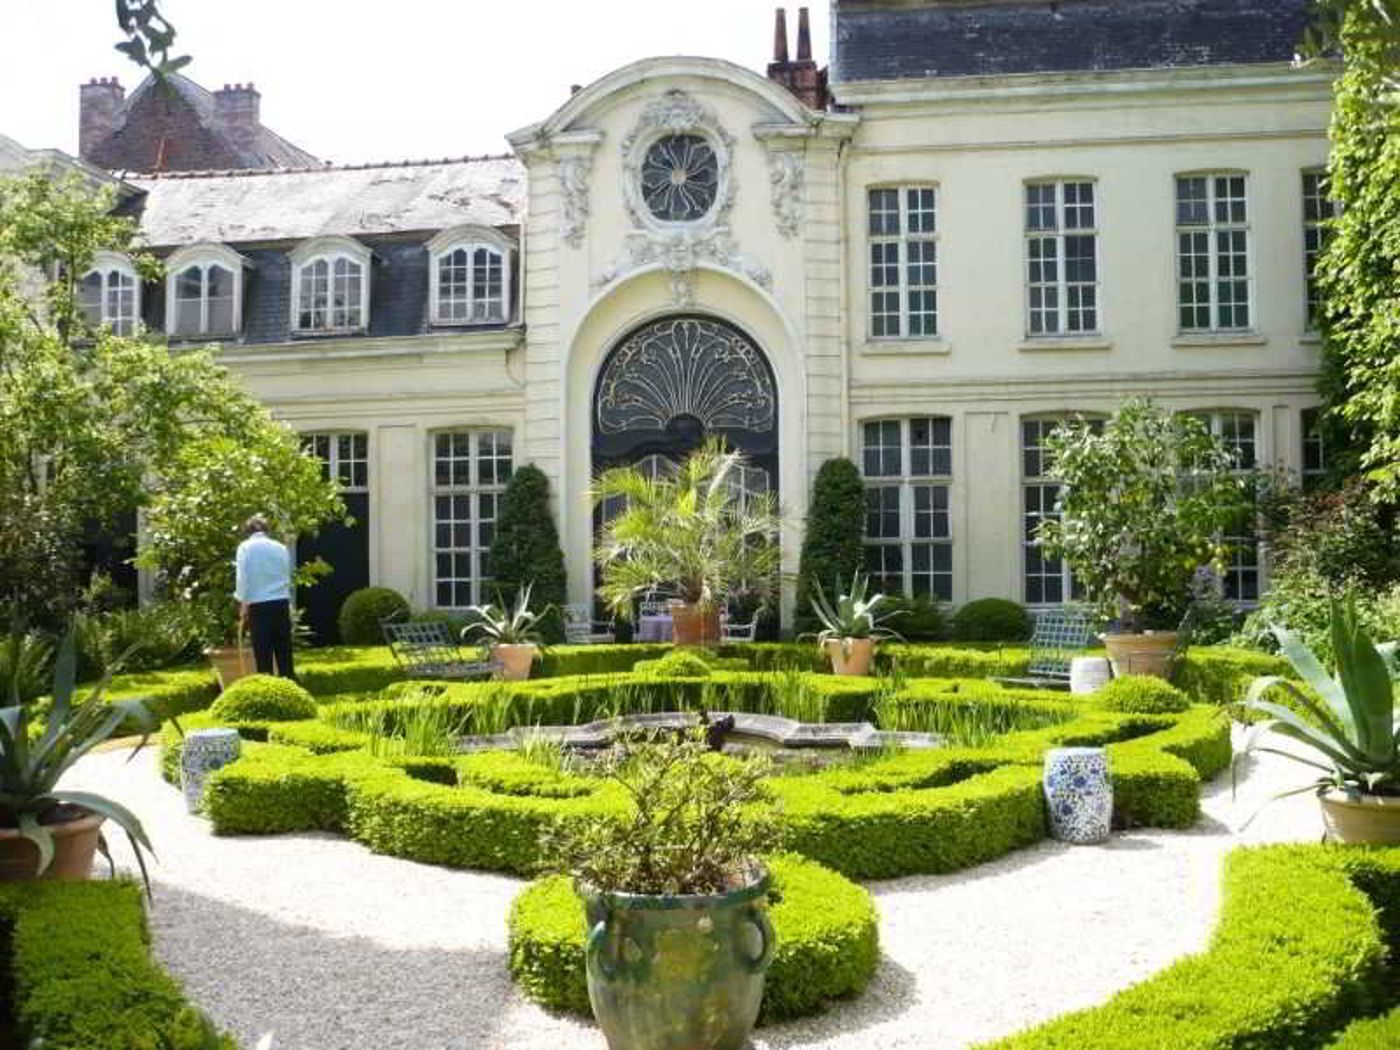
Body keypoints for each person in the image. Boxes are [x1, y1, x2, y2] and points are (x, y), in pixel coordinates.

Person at [233, 514, 295, 679]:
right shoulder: (280, 548)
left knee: (263, 654)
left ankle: (267, 692)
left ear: (248, 531)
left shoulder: (245, 547)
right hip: (281, 604)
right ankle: (290, 692)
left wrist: (242, 604)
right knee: (284, 653)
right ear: (267, 531)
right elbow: (286, 577)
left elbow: (242, 579)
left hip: (259, 606)